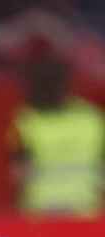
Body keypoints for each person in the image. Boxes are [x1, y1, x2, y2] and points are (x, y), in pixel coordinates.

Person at [9, 52, 104, 217]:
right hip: (87, 210)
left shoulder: (24, 122)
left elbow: (18, 174)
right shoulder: (92, 118)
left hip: (41, 212)